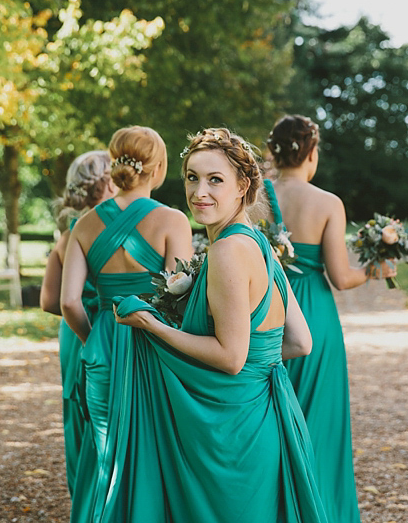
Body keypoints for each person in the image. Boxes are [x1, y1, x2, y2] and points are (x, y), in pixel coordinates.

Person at [106, 127, 329, 522]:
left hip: (231, 438)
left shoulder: (227, 251)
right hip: (265, 420)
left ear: (243, 185)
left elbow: (230, 358)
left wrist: (153, 327)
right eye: (192, 177)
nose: (199, 192)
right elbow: (300, 342)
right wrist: (258, 365)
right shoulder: (259, 242)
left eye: (215, 180)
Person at [60, 127, 193, 522]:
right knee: (153, 450)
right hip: (154, 344)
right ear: (159, 169)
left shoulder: (83, 225)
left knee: (105, 452)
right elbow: (177, 304)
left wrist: (96, 337)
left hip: (102, 345)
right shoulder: (172, 220)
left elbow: (68, 301)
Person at [261, 114, 390, 523]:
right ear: (311, 154)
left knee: (270, 420)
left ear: (276, 151)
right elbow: (340, 276)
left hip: (266, 312)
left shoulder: (254, 198)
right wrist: (375, 269)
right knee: (320, 426)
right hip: (314, 316)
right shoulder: (327, 203)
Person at [39, 150, 115, 495]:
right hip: (100, 328)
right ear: (107, 183)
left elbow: (48, 300)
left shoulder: (67, 234)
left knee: (79, 412)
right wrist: (95, 325)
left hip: (73, 332)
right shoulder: (107, 231)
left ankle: (83, 498)